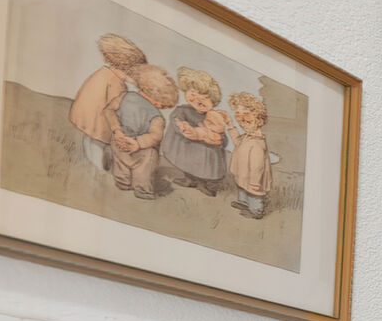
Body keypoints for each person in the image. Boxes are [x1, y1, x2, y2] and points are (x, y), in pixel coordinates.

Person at [68, 34, 145, 171]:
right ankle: (98, 169)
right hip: (99, 119)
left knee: (90, 139)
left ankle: (92, 165)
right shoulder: (117, 83)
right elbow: (117, 107)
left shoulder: (103, 72)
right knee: (98, 144)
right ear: (127, 68)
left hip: (89, 116)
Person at [160, 67, 232, 195]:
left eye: (204, 98)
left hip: (207, 154)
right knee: (188, 164)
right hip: (187, 150)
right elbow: (176, 122)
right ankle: (190, 179)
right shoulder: (182, 110)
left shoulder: (214, 116)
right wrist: (185, 128)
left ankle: (207, 185)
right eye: (193, 94)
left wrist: (217, 139)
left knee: (209, 169)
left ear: (213, 101)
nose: (198, 100)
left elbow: (223, 137)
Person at [110, 65, 177, 200]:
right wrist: (138, 143)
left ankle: (123, 182)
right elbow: (156, 136)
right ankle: (143, 189)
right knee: (145, 167)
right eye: (163, 105)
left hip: (119, 139)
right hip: (141, 148)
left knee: (120, 161)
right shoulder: (156, 116)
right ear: (159, 101)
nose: (162, 107)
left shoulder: (124, 96)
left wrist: (117, 130)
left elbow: (109, 111)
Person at [227, 91, 271, 219]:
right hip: (244, 173)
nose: (241, 119)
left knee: (254, 194)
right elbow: (237, 143)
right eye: (238, 114)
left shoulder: (257, 143)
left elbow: (258, 167)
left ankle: (256, 211)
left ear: (258, 118)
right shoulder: (246, 136)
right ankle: (243, 203)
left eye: (246, 114)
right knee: (242, 187)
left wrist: (255, 182)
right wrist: (230, 126)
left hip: (253, 179)